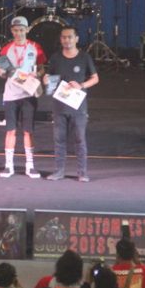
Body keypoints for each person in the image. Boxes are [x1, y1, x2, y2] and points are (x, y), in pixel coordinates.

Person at [44, 25, 99, 182]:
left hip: (78, 107)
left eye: (70, 37)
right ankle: (59, 171)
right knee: (59, 140)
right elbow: (50, 78)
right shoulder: (55, 58)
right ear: (60, 39)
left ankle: (82, 172)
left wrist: (81, 85)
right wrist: (46, 80)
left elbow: (95, 78)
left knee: (80, 139)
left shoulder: (84, 57)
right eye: (64, 37)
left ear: (76, 39)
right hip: (59, 106)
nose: (67, 40)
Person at [0, 15, 47, 178]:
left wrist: (37, 74)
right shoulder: (6, 49)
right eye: (15, 30)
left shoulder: (35, 47)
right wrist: (0, 72)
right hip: (11, 94)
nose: (18, 33)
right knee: (10, 130)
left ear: (27, 30)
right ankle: (8, 166)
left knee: (28, 131)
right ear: (12, 31)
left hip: (28, 93)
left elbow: (41, 68)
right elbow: (2, 72)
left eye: (21, 30)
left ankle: (30, 166)